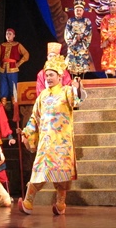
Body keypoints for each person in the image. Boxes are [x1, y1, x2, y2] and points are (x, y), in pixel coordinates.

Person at [18, 55, 81, 215]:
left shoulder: (66, 91)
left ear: (60, 76)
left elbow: (76, 101)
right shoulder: (43, 96)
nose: (48, 78)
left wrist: (77, 88)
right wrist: (27, 132)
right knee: (39, 170)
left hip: (62, 143)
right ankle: (28, 202)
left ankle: (60, 204)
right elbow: (35, 117)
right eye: (46, 75)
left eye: (51, 75)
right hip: (46, 143)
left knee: (61, 175)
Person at [0, 28, 29, 106]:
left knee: (13, 88)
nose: (8, 36)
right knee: (3, 89)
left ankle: (14, 108)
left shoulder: (18, 45)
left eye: (10, 34)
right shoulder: (2, 46)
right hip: (3, 69)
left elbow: (26, 55)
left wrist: (19, 63)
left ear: (14, 35)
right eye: (7, 34)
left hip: (12, 69)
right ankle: (3, 108)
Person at [64, 0, 93, 78]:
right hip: (73, 44)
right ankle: (72, 79)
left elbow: (89, 30)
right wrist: (75, 37)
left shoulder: (87, 21)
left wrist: (82, 36)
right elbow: (67, 31)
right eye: (77, 10)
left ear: (83, 11)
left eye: (80, 10)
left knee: (83, 63)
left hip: (82, 45)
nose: (78, 12)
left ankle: (83, 79)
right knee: (72, 63)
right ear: (74, 11)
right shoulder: (70, 21)